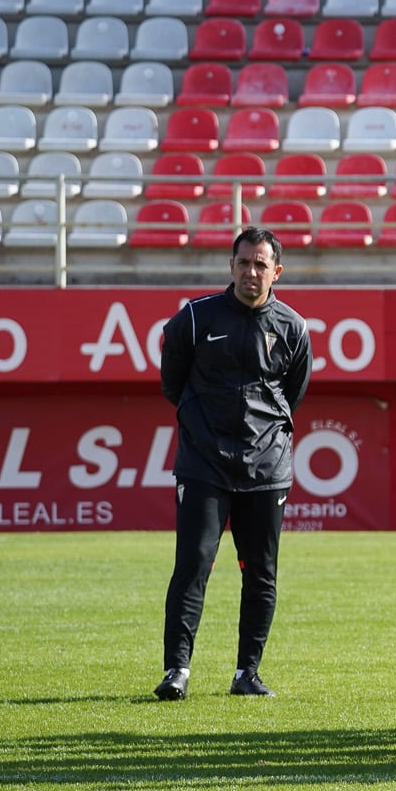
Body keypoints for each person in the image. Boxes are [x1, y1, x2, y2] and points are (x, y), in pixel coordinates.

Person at [154, 226, 312, 702]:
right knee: (194, 565)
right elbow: (172, 383)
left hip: (267, 469)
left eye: (261, 264)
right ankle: (176, 670)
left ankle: (247, 672)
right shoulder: (196, 319)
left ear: (276, 272)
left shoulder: (293, 327)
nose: (251, 272)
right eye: (243, 263)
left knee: (260, 571)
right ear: (231, 267)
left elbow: (292, 394)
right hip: (204, 465)